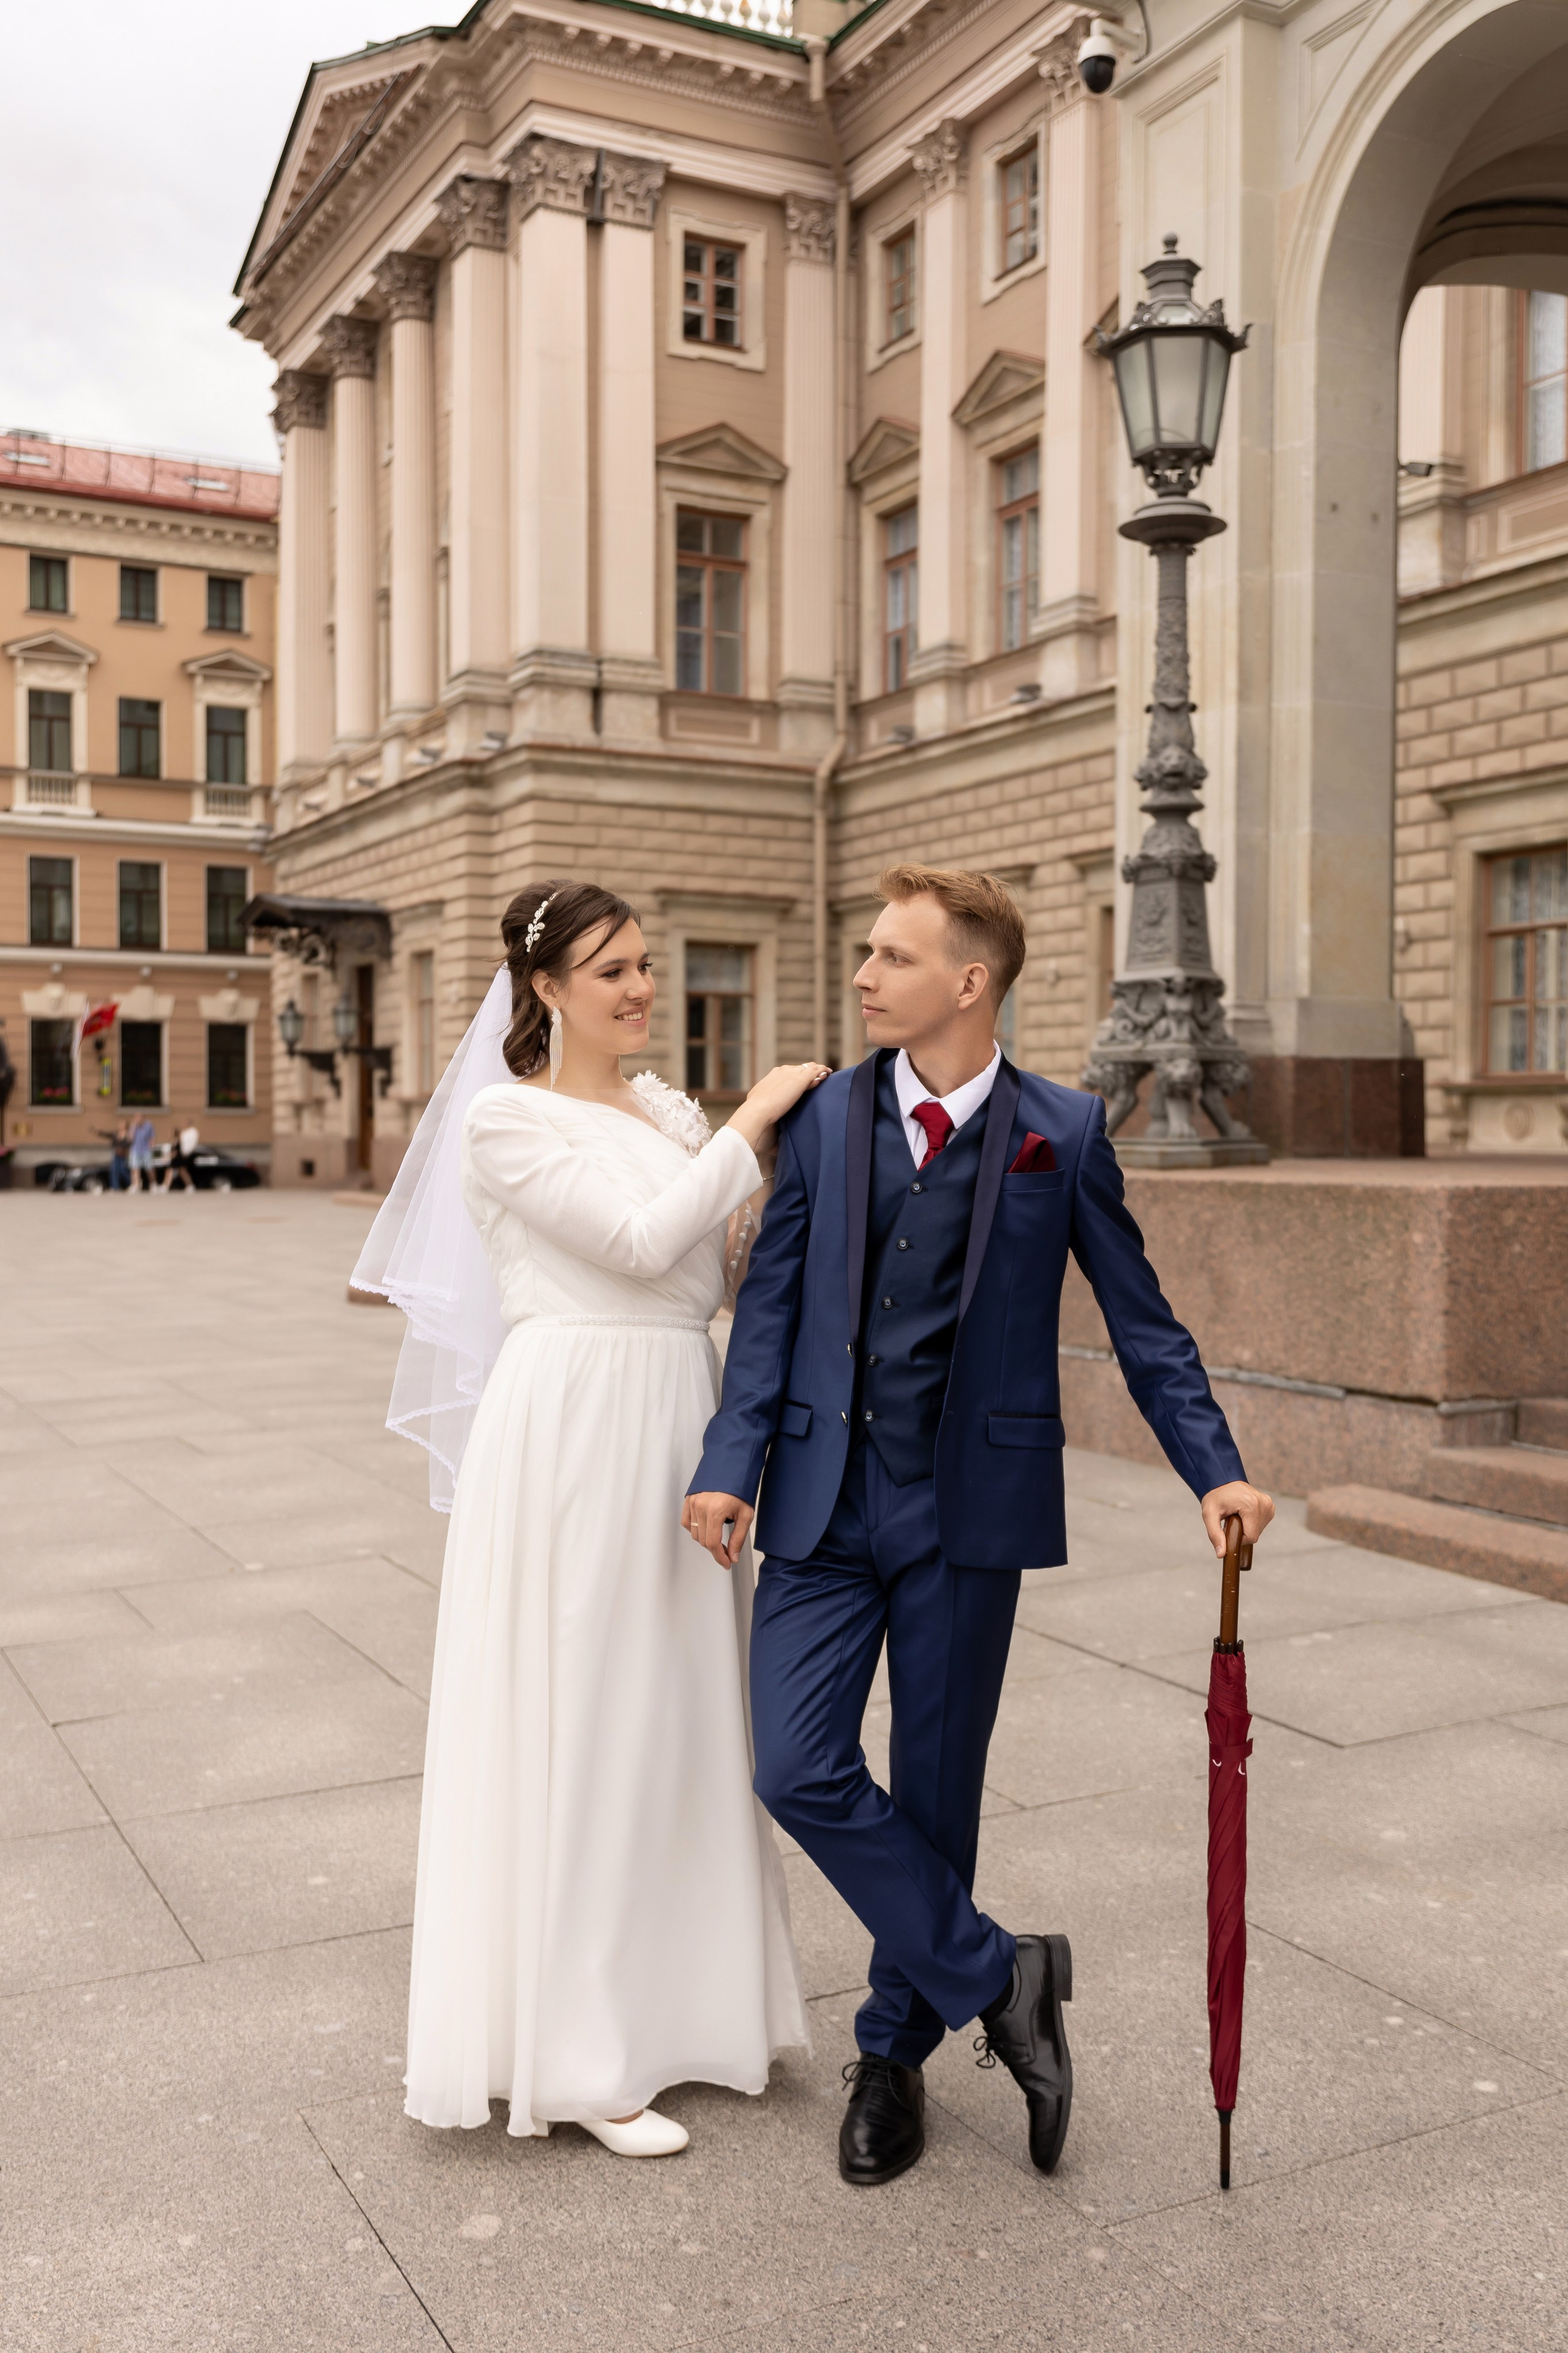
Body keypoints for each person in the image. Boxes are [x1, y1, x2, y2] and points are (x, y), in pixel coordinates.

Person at [684, 864, 1274, 2188]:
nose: (861, 976)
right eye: (863, 955)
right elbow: (770, 1308)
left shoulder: (1058, 1129)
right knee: (794, 1762)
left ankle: (890, 2056)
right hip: (823, 1500)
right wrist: (730, 1463)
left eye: (889, 957)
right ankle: (999, 1975)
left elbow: (1143, 1322)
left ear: (968, 981)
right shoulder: (829, 1120)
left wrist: (1213, 1470)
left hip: (969, 1512)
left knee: (937, 1790)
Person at [353, 881, 824, 2159]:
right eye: (608, 970)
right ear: (544, 990)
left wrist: (763, 1180)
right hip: (574, 1421)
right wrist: (755, 1120)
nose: (636, 988)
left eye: (643, 965)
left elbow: (703, 1269)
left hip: (681, 1401)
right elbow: (627, 1240)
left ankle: (691, 2016)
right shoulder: (505, 1122)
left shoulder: (667, 1108)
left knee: (680, 1714)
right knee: (588, 1712)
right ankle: (577, 2060)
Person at [128, 1112, 156, 1193]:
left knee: (149, 1168)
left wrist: (152, 1146)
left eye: (139, 1118)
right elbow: (130, 1139)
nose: (138, 1119)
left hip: (146, 1149)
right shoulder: (133, 1127)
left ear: (143, 1118)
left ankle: (153, 1184)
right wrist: (133, 1128)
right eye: (136, 1118)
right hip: (135, 1149)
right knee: (135, 1168)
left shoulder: (149, 1126)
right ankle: (136, 1186)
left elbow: (152, 1137)